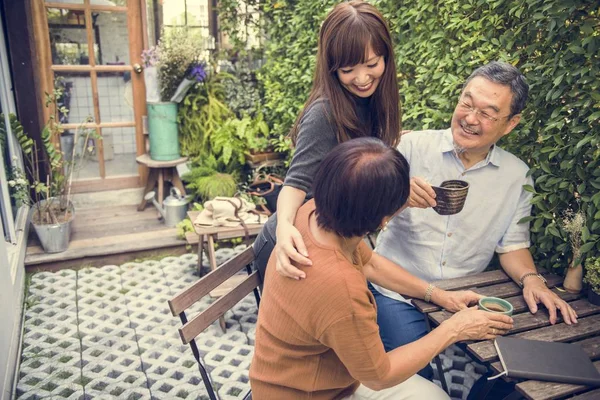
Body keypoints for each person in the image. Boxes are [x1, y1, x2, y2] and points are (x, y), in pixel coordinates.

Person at [275, 62, 580, 382]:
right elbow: (355, 223)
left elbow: (512, 245)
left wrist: (531, 278)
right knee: (411, 368)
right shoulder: (407, 148)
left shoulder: (517, 176)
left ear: (510, 124)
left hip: (464, 295)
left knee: (519, 367)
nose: (471, 118)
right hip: (396, 291)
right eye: (467, 102)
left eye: (488, 113)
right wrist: (398, 198)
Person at [249, 138, 514, 400]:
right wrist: (455, 328)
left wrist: (440, 295)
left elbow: (370, 263)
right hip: (307, 393)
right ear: (384, 219)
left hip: (304, 374)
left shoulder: (314, 212)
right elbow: (379, 376)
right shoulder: (341, 289)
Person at [253, 0, 401, 279]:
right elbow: (294, 185)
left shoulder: (374, 102)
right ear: (332, 68)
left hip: (331, 241)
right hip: (291, 243)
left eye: (371, 64)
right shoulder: (324, 113)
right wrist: (284, 228)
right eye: (347, 70)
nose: (361, 78)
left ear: (386, 57)